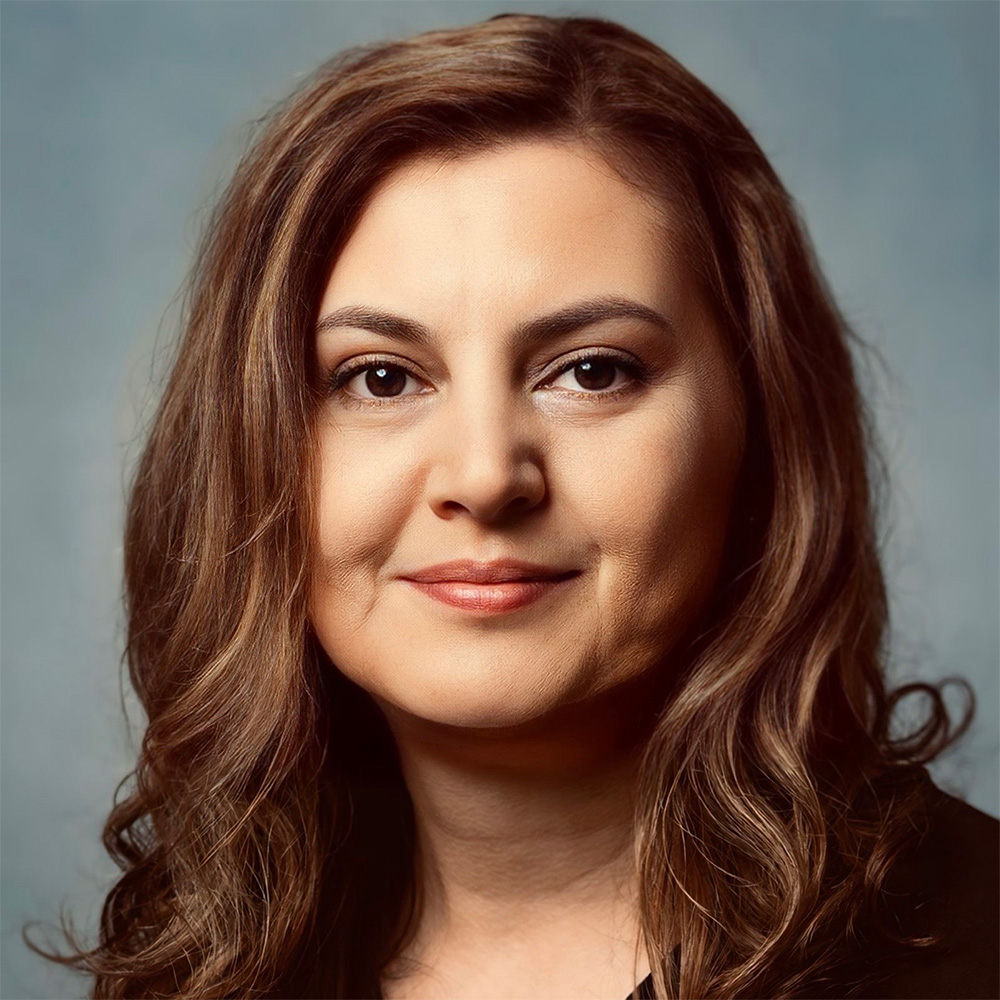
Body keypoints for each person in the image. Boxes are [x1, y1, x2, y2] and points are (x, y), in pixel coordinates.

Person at [36, 13, 998, 999]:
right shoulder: (195, 977)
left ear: (760, 428)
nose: (486, 476)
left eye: (592, 370)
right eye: (378, 379)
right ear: (253, 451)